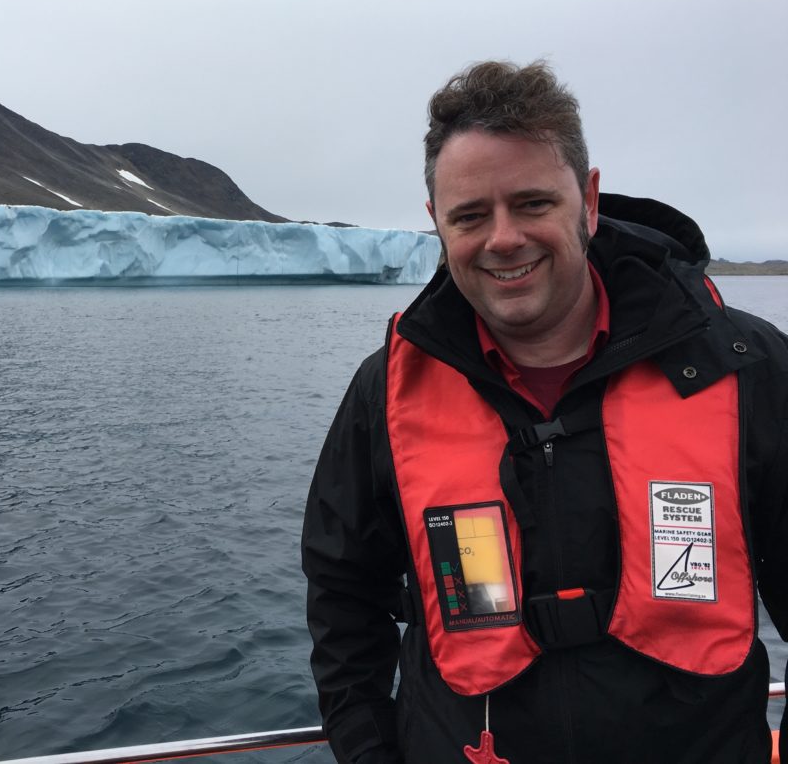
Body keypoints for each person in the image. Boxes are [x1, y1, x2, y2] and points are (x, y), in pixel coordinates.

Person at [301, 60, 788, 764]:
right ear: (437, 222)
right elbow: (343, 595)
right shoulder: (387, 394)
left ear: (587, 201)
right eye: (470, 215)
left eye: (532, 203)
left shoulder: (744, 367)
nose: (503, 239)